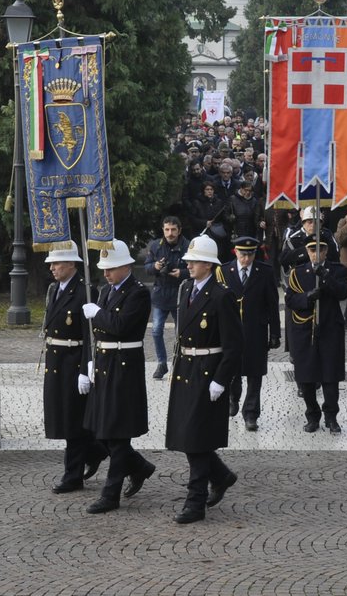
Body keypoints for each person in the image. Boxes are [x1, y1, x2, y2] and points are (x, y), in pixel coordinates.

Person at [163, 235, 243, 524]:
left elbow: (234, 345)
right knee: (188, 435)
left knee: (196, 438)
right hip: (186, 368)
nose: (189, 264)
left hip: (208, 370)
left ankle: (195, 501)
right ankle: (221, 476)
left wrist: (222, 380)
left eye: (194, 260)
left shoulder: (222, 296)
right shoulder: (186, 289)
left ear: (208, 265)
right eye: (188, 260)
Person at [79, 240, 156, 514]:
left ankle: (110, 495)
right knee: (103, 430)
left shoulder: (138, 293)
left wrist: (98, 314)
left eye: (111, 268)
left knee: (118, 433)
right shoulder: (105, 291)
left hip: (125, 366)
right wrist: (90, 361)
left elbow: (121, 326)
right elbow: (98, 333)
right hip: (105, 363)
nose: (106, 273)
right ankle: (140, 467)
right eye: (104, 269)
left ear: (125, 267)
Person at [41, 241, 106, 493]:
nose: (52, 268)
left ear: (71, 264)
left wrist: (84, 369)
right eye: (51, 264)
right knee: (64, 418)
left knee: (73, 423)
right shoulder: (56, 289)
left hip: (72, 362)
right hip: (56, 361)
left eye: (57, 263)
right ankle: (97, 451)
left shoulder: (84, 292)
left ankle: (73, 476)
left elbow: (89, 336)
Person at [285, 239, 347, 433]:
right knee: (306, 377)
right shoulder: (297, 273)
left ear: (326, 250)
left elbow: (343, 292)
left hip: (330, 328)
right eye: (312, 249)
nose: (316, 253)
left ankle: (331, 416)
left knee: (330, 376)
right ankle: (312, 415)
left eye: (320, 249)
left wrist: (325, 276)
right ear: (307, 250)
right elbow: (290, 300)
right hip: (305, 330)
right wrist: (306, 298)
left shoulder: (337, 270)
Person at [225, 235, 282, 431]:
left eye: (250, 254)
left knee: (255, 374)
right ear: (236, 252)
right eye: (243, 254)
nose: (246, 259)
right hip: (231, 332)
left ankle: (251, 413)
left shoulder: (264, 272)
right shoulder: (224, 271)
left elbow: (272, 304)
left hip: (256, 330)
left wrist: (275, 332)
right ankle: (233, 397)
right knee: (232, 370)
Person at [144, 216, 188, 380]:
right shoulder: (156, 245)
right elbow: (147, 267)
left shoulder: (187, 246)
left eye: (173, 230)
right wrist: (155, 267)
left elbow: (197, 268)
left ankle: (179, 363)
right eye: (167, 229)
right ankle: (162, 363)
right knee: (156, 331)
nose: (170, 233)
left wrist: (181, 273)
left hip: (179, 294)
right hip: (160, 294)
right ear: (163, 230)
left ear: (179, 230)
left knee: (181, 333)